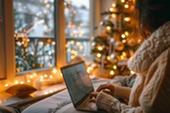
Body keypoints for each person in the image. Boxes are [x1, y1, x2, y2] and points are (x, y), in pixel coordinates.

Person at [90, 0, 170, 113]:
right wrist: (116, 90)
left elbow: (147, 109)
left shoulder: (165, 60)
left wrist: (110, 103)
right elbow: (149, 96)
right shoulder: (161, 51)